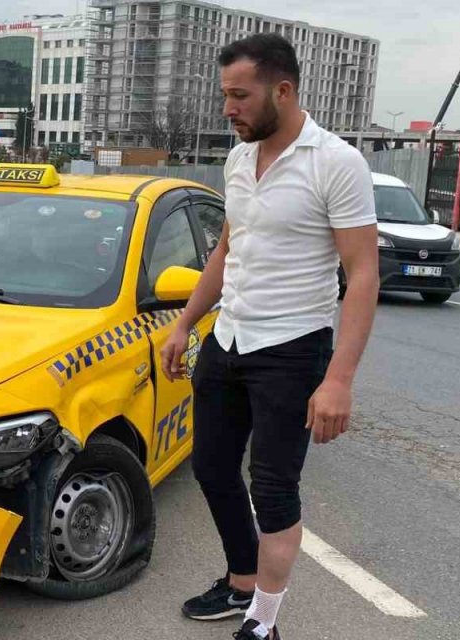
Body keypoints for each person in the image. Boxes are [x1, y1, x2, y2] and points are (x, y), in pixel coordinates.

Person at [159, 34, 379, 640]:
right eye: (224, 95)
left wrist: (338, 380)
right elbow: (229, 251)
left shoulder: (335, 162)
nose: (228, 108)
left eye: (239, 95)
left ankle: (265, 621)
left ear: (282, 90)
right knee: (210, 468)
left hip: (291, 349)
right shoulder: (237, 158)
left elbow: (362, 275)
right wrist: (185, 324)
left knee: (275, 488)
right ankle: (242, 581)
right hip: (227, 340)